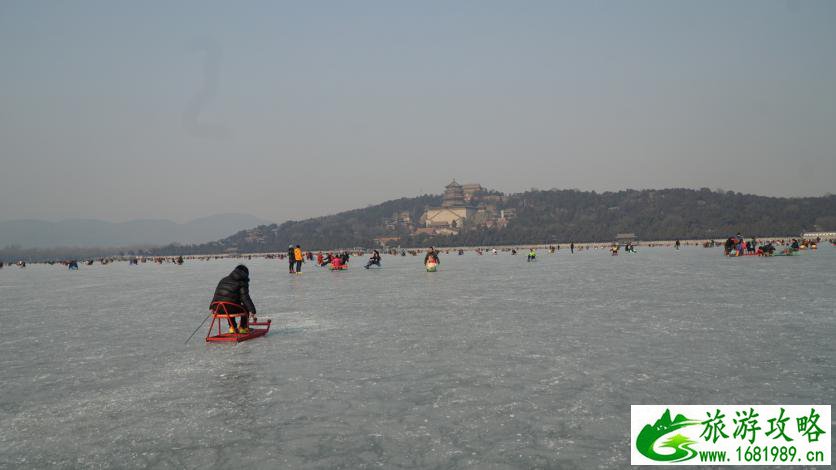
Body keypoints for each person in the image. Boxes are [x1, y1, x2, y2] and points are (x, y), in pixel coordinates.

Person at [210, 265, 257, 334]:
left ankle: (232, 327)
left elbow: (217, 295)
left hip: (218, 307)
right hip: (228, 308)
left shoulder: (224, 279)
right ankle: (243, 328)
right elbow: (245, 297)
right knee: (245, 308)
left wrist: (212, 307)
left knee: (228, 305)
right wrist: (252, 310)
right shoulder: (242, 282)